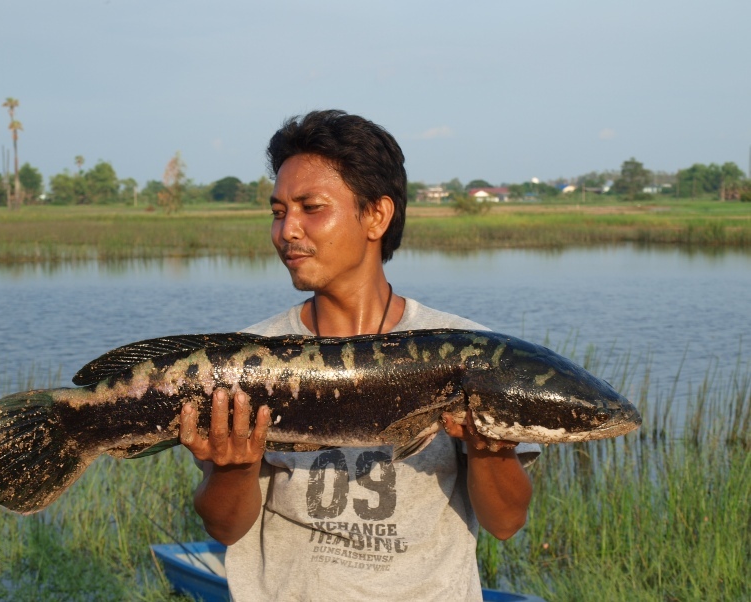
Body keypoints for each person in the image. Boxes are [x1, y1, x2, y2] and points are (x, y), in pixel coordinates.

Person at [180, 110, 538, 601]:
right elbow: (225, 528)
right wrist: (233, 468)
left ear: (376, 215)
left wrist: (488, 448)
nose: (287, 230)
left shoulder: (470, 352)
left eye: (311, 207)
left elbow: (506, 522)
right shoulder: (245, 363)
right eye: (279, 210)